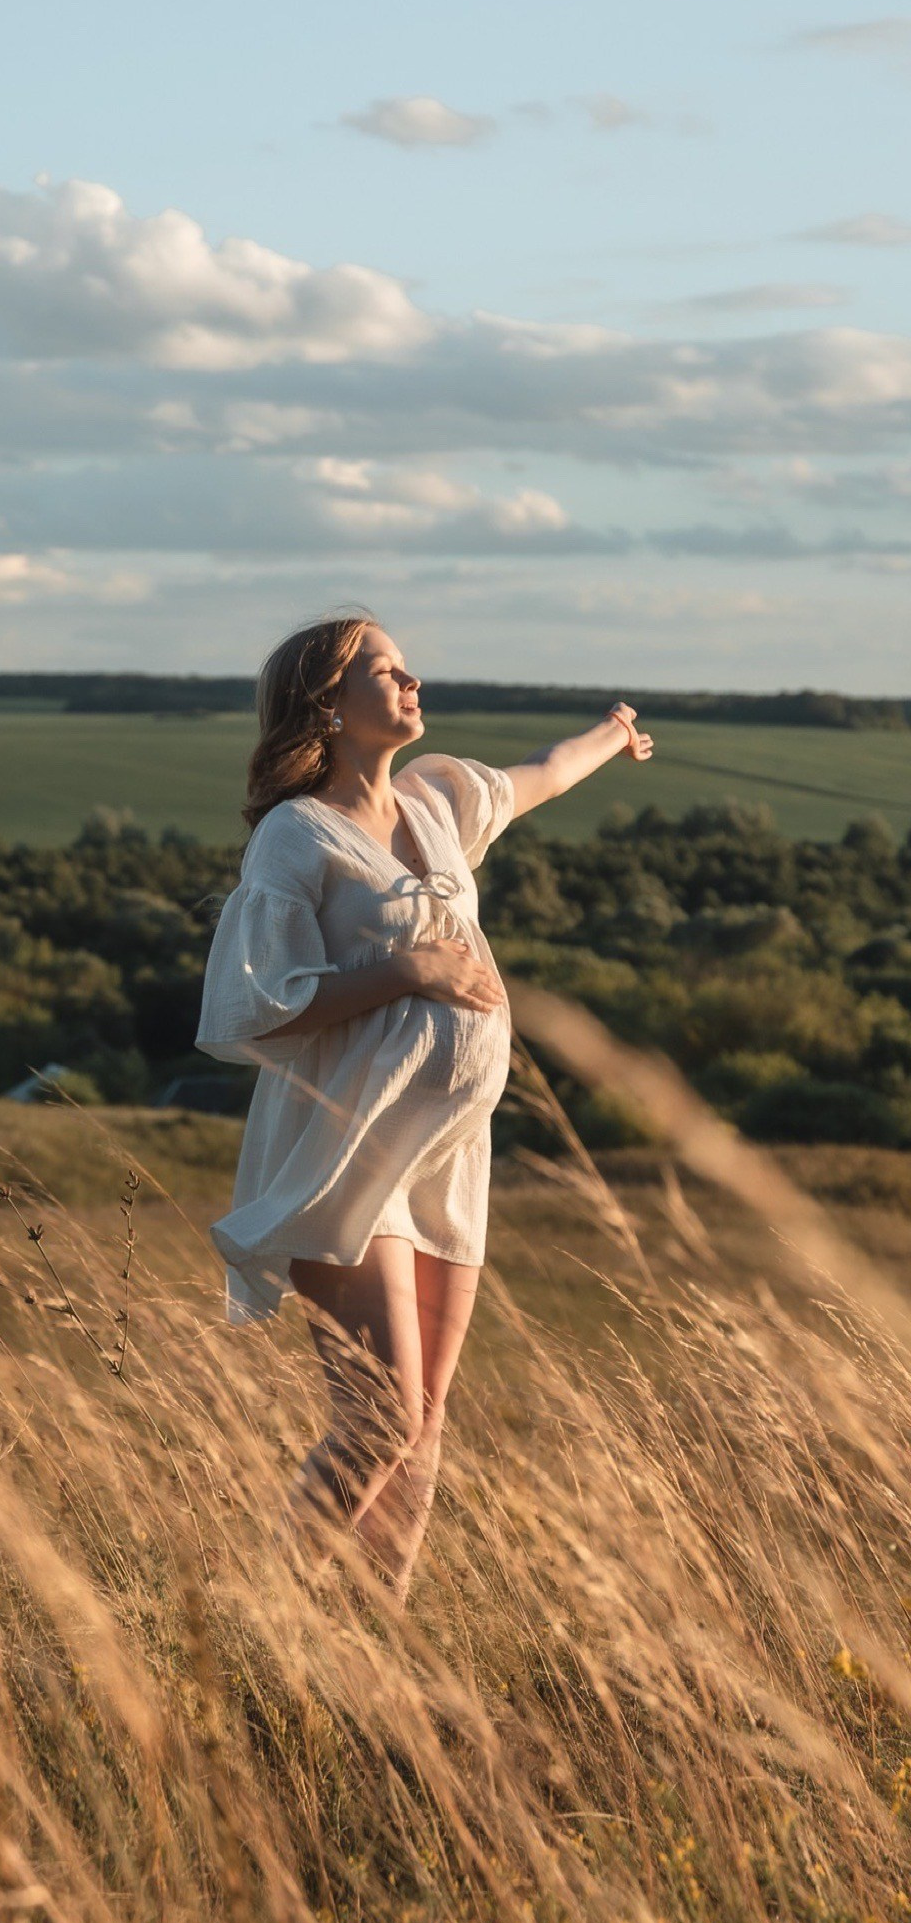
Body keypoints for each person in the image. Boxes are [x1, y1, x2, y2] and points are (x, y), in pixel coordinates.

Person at [195, 615, 654, 1605]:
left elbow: (540, 775)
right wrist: (406, 965)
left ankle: (374, 1647)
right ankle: (264, 1620)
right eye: (387, 670)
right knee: (379, 1422)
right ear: (328, 701)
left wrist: (613, 732)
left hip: (445, 1158)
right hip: (350, 1147)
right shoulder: (296, 835)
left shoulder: (437, 801)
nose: (413, 679)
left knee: (425, 1421)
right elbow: (257, 1002)